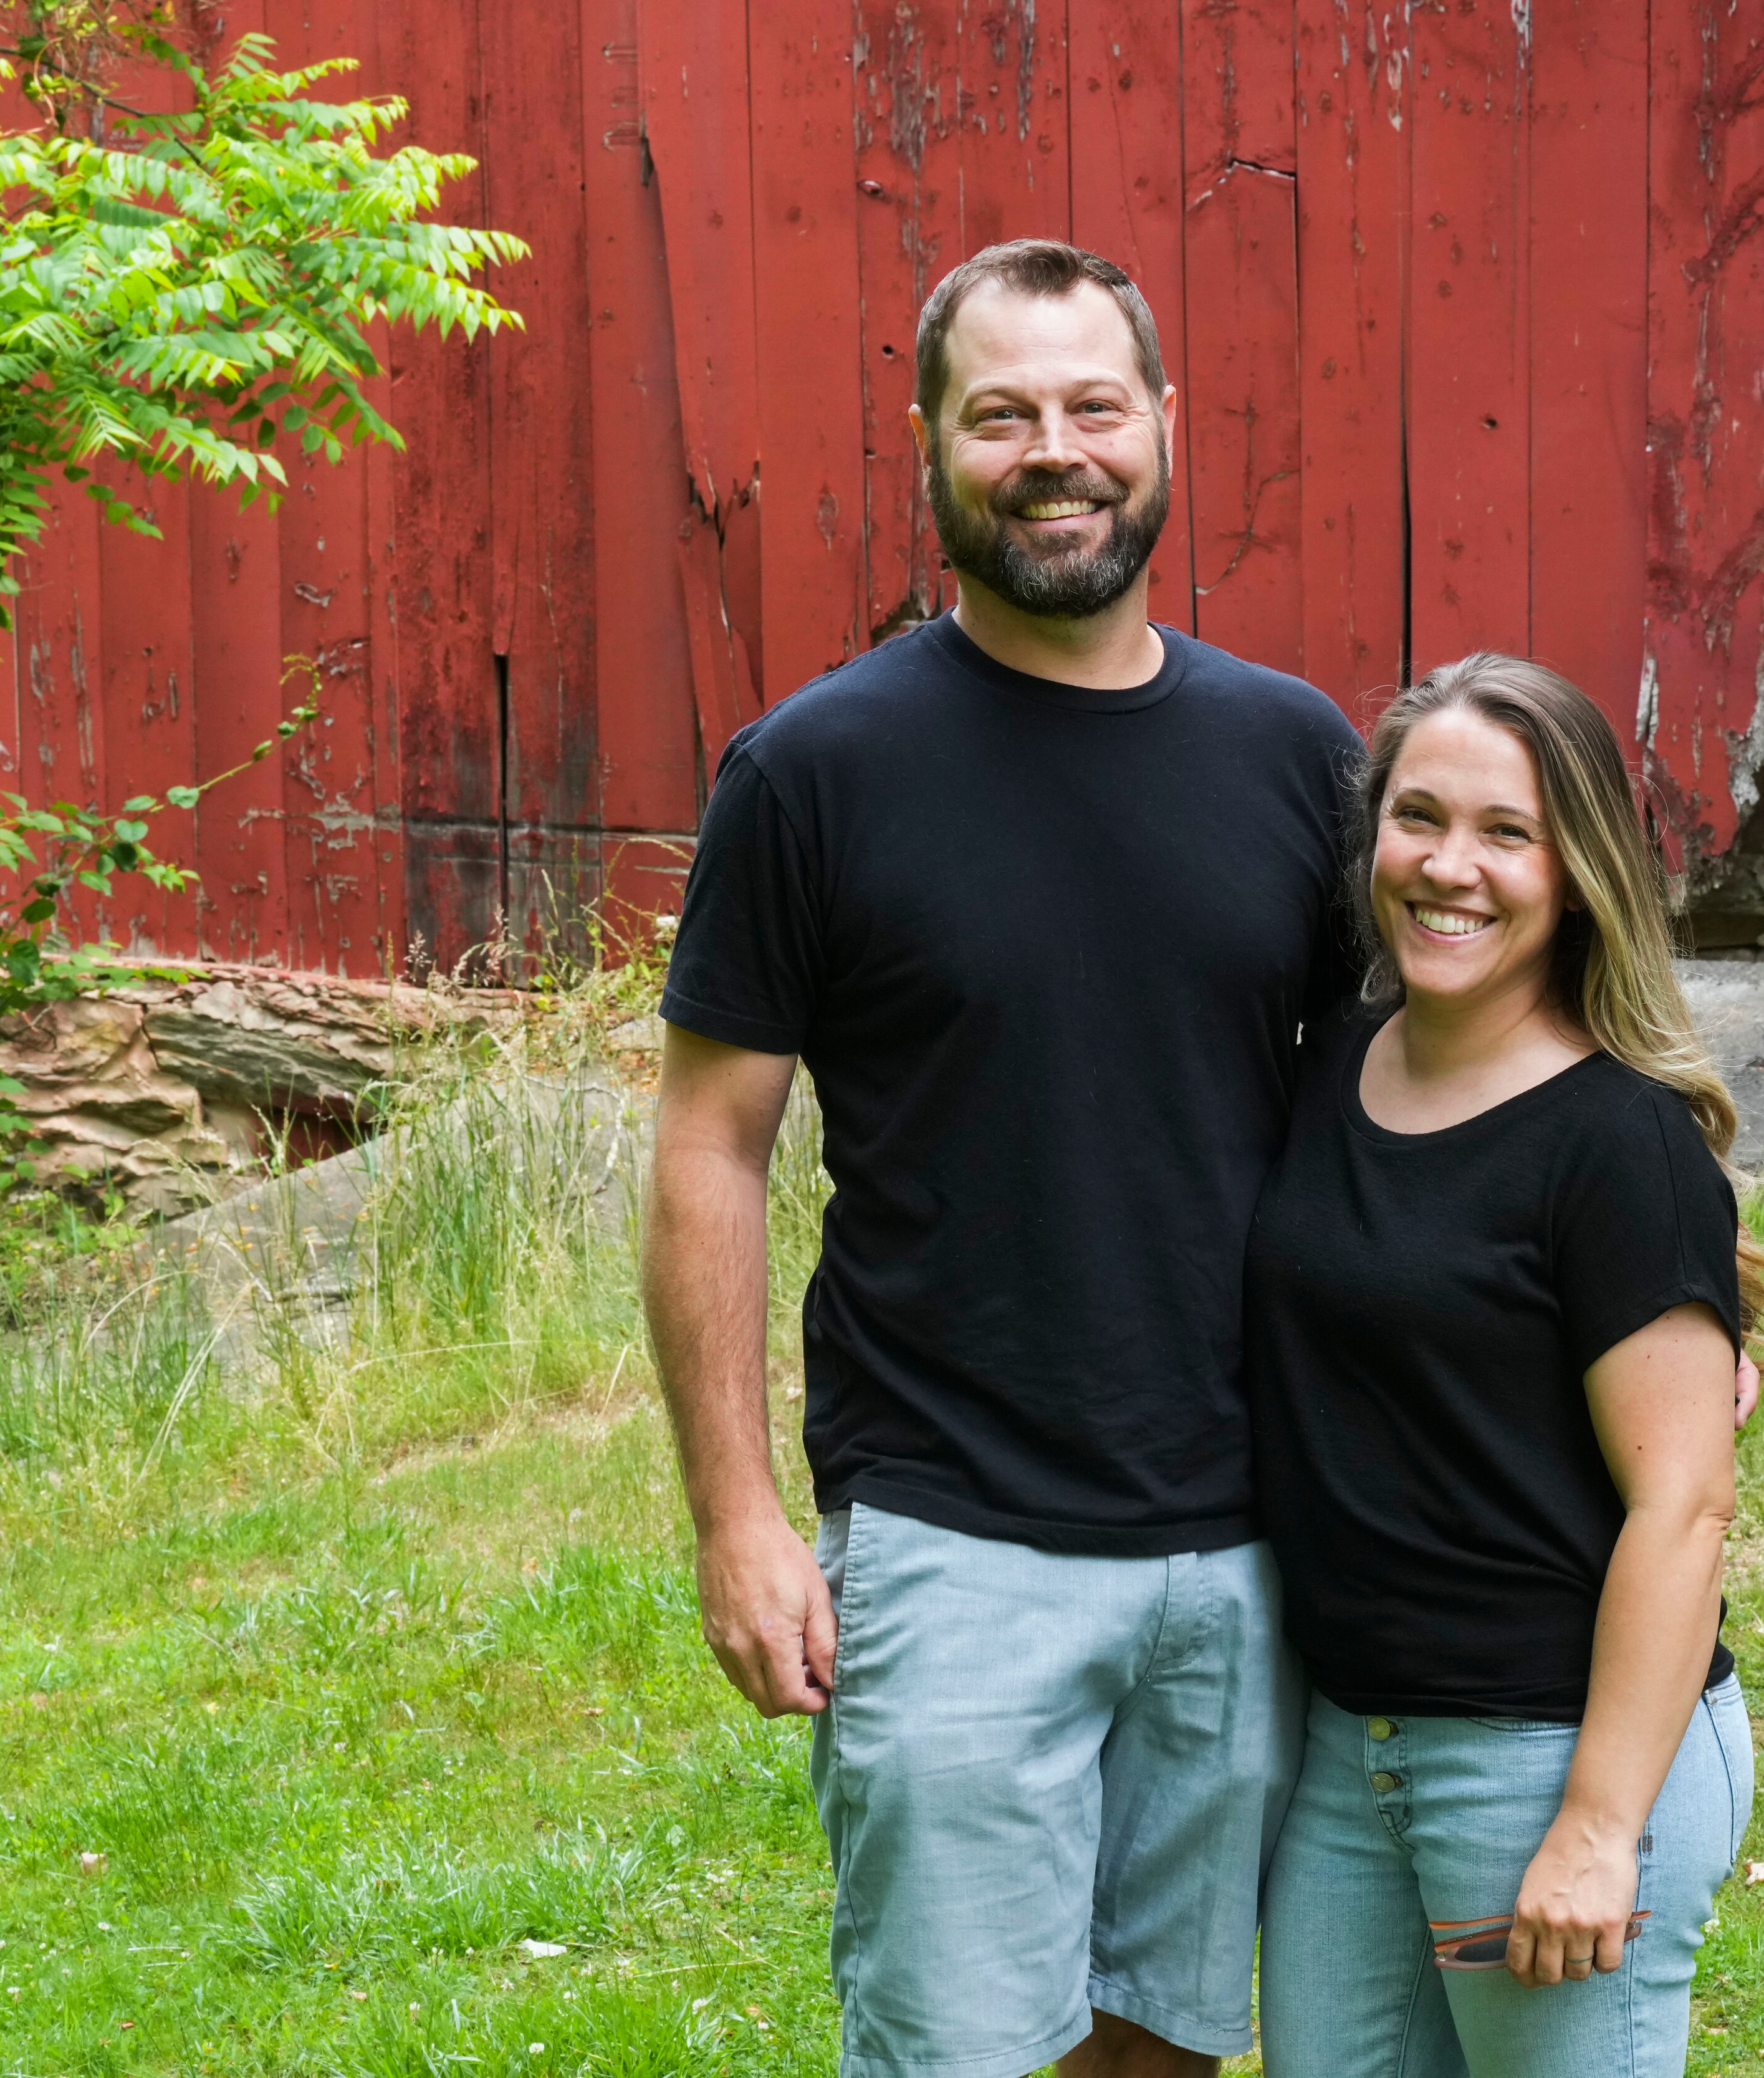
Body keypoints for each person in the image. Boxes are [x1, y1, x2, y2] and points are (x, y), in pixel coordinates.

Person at [640, 239, 1362, 2078]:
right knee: (954, 2049)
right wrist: (736, 1515)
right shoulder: (814, 771)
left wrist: (1670, 1283)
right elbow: (713, 1145)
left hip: (1250, 1533)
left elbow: (1422, 1105)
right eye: (1005, 414)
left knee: (1164, 2044)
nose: (1058, 450)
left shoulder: (1299, 758)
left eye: (1094, 405)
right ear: (929, 447)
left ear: (1163, 427)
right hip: (950, 1533)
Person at [1248, 653, 1764, 2077]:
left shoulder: (1617, 1144)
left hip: (1550, 1752)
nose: (1448, 867)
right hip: (1352, 1750)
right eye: (1417, 818)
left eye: (1505, 832)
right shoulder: (1320, 1071)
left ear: (1577, 867)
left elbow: (1685, 1507)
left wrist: (1601, 1824)